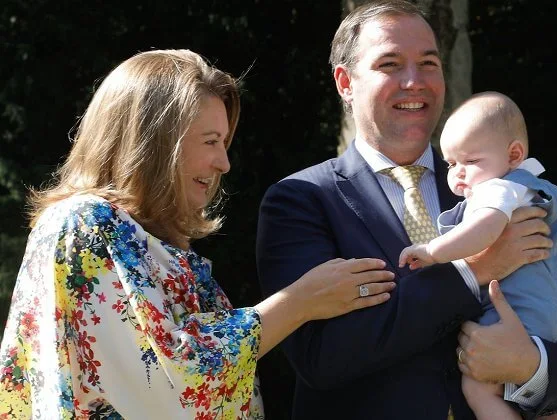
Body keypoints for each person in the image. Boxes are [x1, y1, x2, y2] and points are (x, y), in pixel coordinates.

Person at [0, 49, 398, 419]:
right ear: (154, 141)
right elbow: (169, 381)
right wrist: (298, 303)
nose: (224, 162)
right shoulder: (85, 224)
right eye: (211, 141)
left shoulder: (139, 237)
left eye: (224, 143)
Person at [255, 1, 557, 419]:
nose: (414, 81)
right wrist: (473, 270)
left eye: (429, 63)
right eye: (391, 64)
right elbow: (321, 359)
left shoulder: (497, 185)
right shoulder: (301, 200)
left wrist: (531, 367)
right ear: (345, 82)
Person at [398, 91, 557, 420]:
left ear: (513, 155)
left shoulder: (497, 190)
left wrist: (433, 250)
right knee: (538, 407)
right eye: (452, 163)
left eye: (471, 161)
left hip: (520, 314)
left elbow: (483, 230)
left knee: (479, 389)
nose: (459, 173)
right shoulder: (538, 191)